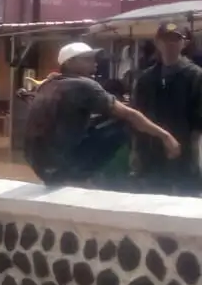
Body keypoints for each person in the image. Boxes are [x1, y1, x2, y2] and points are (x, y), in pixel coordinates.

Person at [23, 42, 178, 188]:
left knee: (104, 120)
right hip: (62, 167)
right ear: (70, 64)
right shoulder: (85, 85)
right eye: (88, 60)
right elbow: (130, 115)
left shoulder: (49, 83)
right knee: (127, 122)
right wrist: (165, 136)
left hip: (40, 165)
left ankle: (82, 175)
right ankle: (143, 172)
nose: (95, 63)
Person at [133, 21, 202, 195]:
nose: (170, 44)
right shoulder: (145, 78)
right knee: (152, 200)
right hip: (151, 149)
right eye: (165, 39)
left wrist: (194, 150)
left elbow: (199, 117)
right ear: (157, 42)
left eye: (175, 39)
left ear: (184, 43)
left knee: (186, 201)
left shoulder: (195, 75)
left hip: (184, 149)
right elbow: (137, 115)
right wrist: (136, 150)